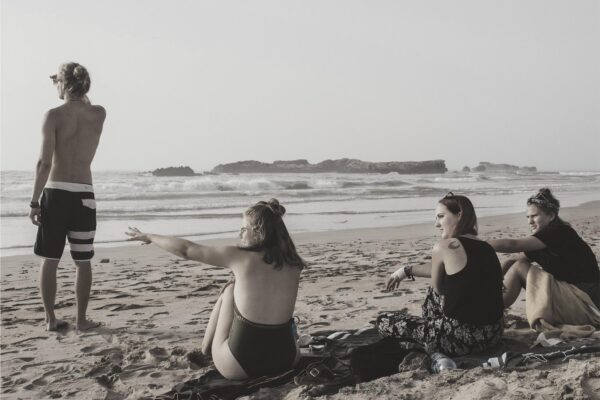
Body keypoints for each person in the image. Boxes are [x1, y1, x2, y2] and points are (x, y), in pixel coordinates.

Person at [125, 199, 305, 380]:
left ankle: (205, 349)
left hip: (240, 365)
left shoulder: (240, 257)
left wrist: (149, 237)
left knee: (230, 289)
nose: (240, 234)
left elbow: (186, 250)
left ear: (258, 232)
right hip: (286, 360)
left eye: (243, 230)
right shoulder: (293, 262)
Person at [29, 62, 106, 331]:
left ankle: (51, 319)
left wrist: (34, 201)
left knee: (50, 259)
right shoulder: (98, 114)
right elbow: (85, 102)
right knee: (82, 261)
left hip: (56, 193)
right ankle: (81, 320)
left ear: (64, 84)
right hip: (84, 195)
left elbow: (44, 163)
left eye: (57, 82)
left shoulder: (53, 115)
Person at [378, 193, 504, 356]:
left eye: (441, 217)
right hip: (493, 335)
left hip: (462, 340)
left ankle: (429, 337)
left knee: (383, 320)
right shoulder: (487, 248)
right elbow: (458, 270)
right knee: (442, 296)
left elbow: (438, 289)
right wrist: (406, 270)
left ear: (459, 215)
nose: (437, 224)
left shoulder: (443, 246)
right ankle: (430, 330)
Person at [488, 188, 600, 327]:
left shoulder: (559, 232)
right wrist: (497, 281)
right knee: (520, 264)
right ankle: (490, 311)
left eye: (534, 216)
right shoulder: (541, 241)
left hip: (588, 301)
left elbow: (513, 244)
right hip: (574, 297)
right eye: (528, 217)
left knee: (520, 268)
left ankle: (487, 315)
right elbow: (513, 260)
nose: (530, 221)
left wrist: (476, 243)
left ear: (551, 216)